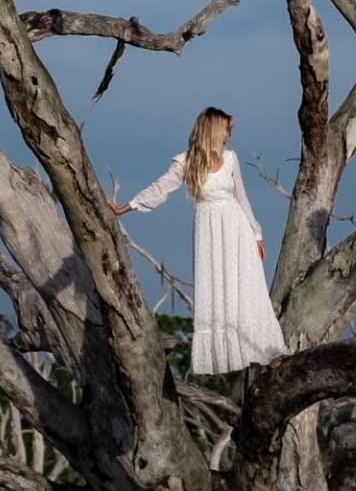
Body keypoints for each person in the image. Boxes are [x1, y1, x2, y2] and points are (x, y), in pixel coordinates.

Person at [118, 106, 286, 375]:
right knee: (216, 287)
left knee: (248, 288)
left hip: (237, 229)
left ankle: (267, 351)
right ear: (214, 131)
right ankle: (228, 356)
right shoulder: (185, 162)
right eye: (226, 130)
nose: (228, 136)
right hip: (209, 234)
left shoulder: (231, 159)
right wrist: (126, 206)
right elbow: (160, 188)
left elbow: (242, 198)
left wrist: (256, 234)